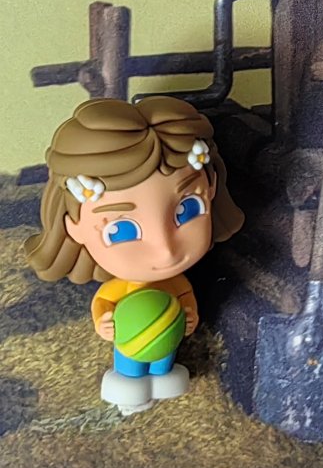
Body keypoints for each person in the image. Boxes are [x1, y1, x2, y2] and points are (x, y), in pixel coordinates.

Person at [25, 96, 244, 414]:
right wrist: (103, 322)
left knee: (163, 362)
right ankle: (129, 387)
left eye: (188, 209)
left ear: (210, 188)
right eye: (122, 230)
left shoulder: (174, 280)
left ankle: (161, 378)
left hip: (167, 339)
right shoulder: (123, 286)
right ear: (75, 228)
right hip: (130, 343)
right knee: (129, 363)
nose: (166, 250)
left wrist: (189, 313)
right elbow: (103, 301)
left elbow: (184, 294)